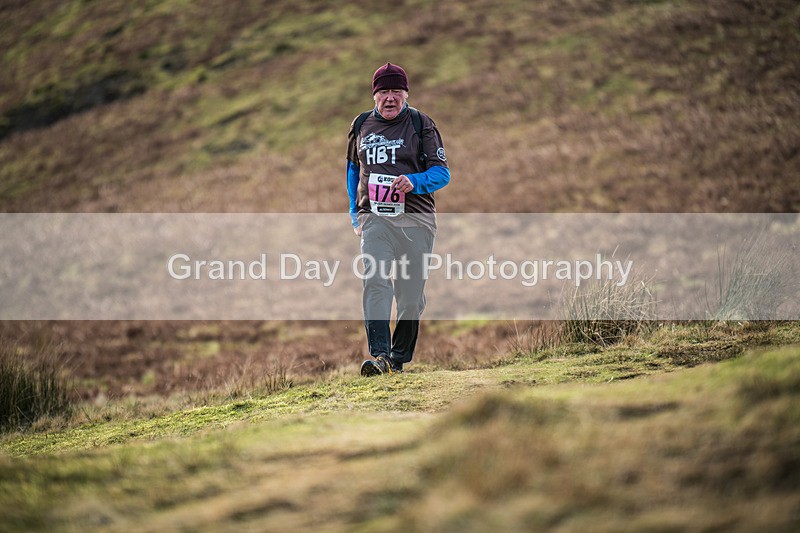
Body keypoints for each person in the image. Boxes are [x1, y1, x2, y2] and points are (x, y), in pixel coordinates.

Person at [346, 62, 451, 376]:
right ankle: (379, 356)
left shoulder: (421, 124)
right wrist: (356, 213)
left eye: (396, 91)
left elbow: (442, 173)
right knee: (375, 283)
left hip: (416, 221)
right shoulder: (361, 124)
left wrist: (414, 182)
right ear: (374, 95)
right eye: (383, 92)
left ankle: (397, 359)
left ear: (406, 93)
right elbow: (353, 172)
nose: (390, 98)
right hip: (376, 221)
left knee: (410, 297)